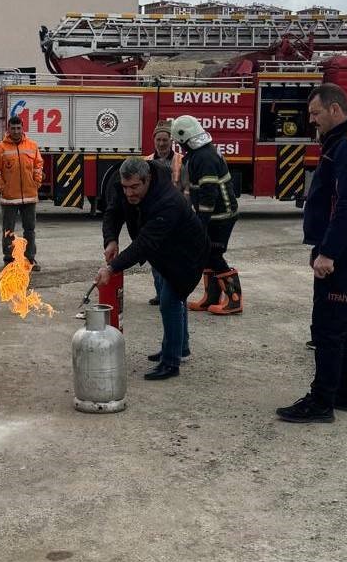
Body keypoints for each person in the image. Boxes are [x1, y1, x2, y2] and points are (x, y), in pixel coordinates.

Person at [277, 84, 347, 423]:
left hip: (346, 254)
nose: (312, 120)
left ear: (335, 109)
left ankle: (321, 401)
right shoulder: (346, 140)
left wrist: (328, 253)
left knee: (328, 327)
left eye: (315, 113)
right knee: (346, 324)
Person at [97, 156, 209, 380]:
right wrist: (111, 240)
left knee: (170, 300)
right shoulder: (124, 184)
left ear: (147, 179)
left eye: (134, 187)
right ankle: (179, 346)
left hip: (187, 252)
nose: (129, 193)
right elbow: (113, 212)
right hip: (162, 250)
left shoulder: (167, 201)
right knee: (169, 293)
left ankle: (171, 362)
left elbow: (144, 244)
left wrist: (112, 268)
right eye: (125, 187)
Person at [171, 115, 242, 315]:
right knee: (206, 254)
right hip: (216, 215)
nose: (180, 146)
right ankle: (211, 298)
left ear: (185, 138)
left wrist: (201, 223)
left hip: (221, 216)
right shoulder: (201, 153)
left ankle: (234, 299)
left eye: (179, 142)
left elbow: (209, 193)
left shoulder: (204, 157)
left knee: (213, 253)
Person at [0, 115, 44, 271]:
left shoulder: (32, 146)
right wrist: (2, 188)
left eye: (18, 128)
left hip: (29, 196)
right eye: (12, 128)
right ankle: (9, 260)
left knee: (30, 230)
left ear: (22, 128)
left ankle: (30, 259)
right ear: (8, 129)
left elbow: (38, 165)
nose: (15, 131)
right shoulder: (0, 148)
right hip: (9, 198)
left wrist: (36, 182)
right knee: (8, 231)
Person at [142, 119, 184, 307]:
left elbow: (186, 190)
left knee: (172, 258)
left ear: (171, 141)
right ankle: (160, 294)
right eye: (158, 140)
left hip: (174, 218)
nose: (161, 143)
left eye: (165, 140)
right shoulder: (146, 162)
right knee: (155, 259)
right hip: (153, 218)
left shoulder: (180, 161)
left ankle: (171, 294)